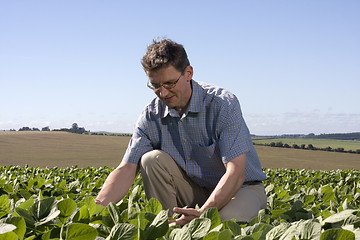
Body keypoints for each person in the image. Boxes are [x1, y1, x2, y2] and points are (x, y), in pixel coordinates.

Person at [95, 38, 267, 225]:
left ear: (188, 73)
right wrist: (96, 211)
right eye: (155, 86)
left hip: (241, 189)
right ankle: (167, 227)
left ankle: (195, 221)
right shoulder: (151, 115)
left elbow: (236, 173)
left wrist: (204, 213)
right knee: (151, 160)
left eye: (169, 83)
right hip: (195, 189)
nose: (163, 93)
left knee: (222, 222)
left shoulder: (222, 104)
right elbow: (126, 169)